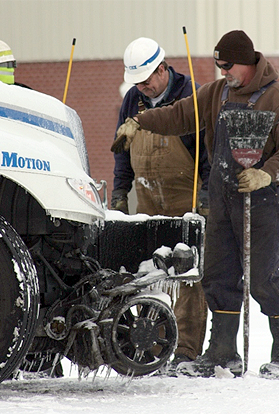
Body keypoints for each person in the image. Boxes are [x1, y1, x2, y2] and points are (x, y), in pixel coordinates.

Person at [111, 30, 279, 379]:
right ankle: (222, 354)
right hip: (222, 198)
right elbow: (178, 115)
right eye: (218, 65)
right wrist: (139, 122)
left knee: (263, 278)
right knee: (219, 275)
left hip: (263, 200)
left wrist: (266, 174)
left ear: (247, 61)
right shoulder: (216, 93)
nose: (222, 72)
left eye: (227, 65)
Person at [111, 37, 210, 373]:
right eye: (138, 82)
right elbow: (122, 152)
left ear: (164, 68)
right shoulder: (132, 101)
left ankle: (186, 351)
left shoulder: (192, 96)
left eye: (149, 79)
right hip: (148, 198)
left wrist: (206, 196)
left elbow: (208, 153)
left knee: (186, 275)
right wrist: (120, 192)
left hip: (186, 196)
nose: (145, 87)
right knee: (149, 273)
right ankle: (154, 345)